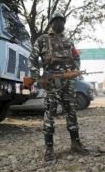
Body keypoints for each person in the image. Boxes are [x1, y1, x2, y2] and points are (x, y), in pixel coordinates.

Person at [28, 11, 89, 162]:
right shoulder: (42, 40)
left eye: (62, 21)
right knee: (50, 113)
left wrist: (75, 70)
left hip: (68, 82)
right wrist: (38, 77)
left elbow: (76, 57)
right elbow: (32, 59)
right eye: (57, 21)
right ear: (51, 23)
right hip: (51, 82)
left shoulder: (68, 41)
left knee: (71, 111)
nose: (60, 23)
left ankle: (76, 144)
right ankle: (49, 149)